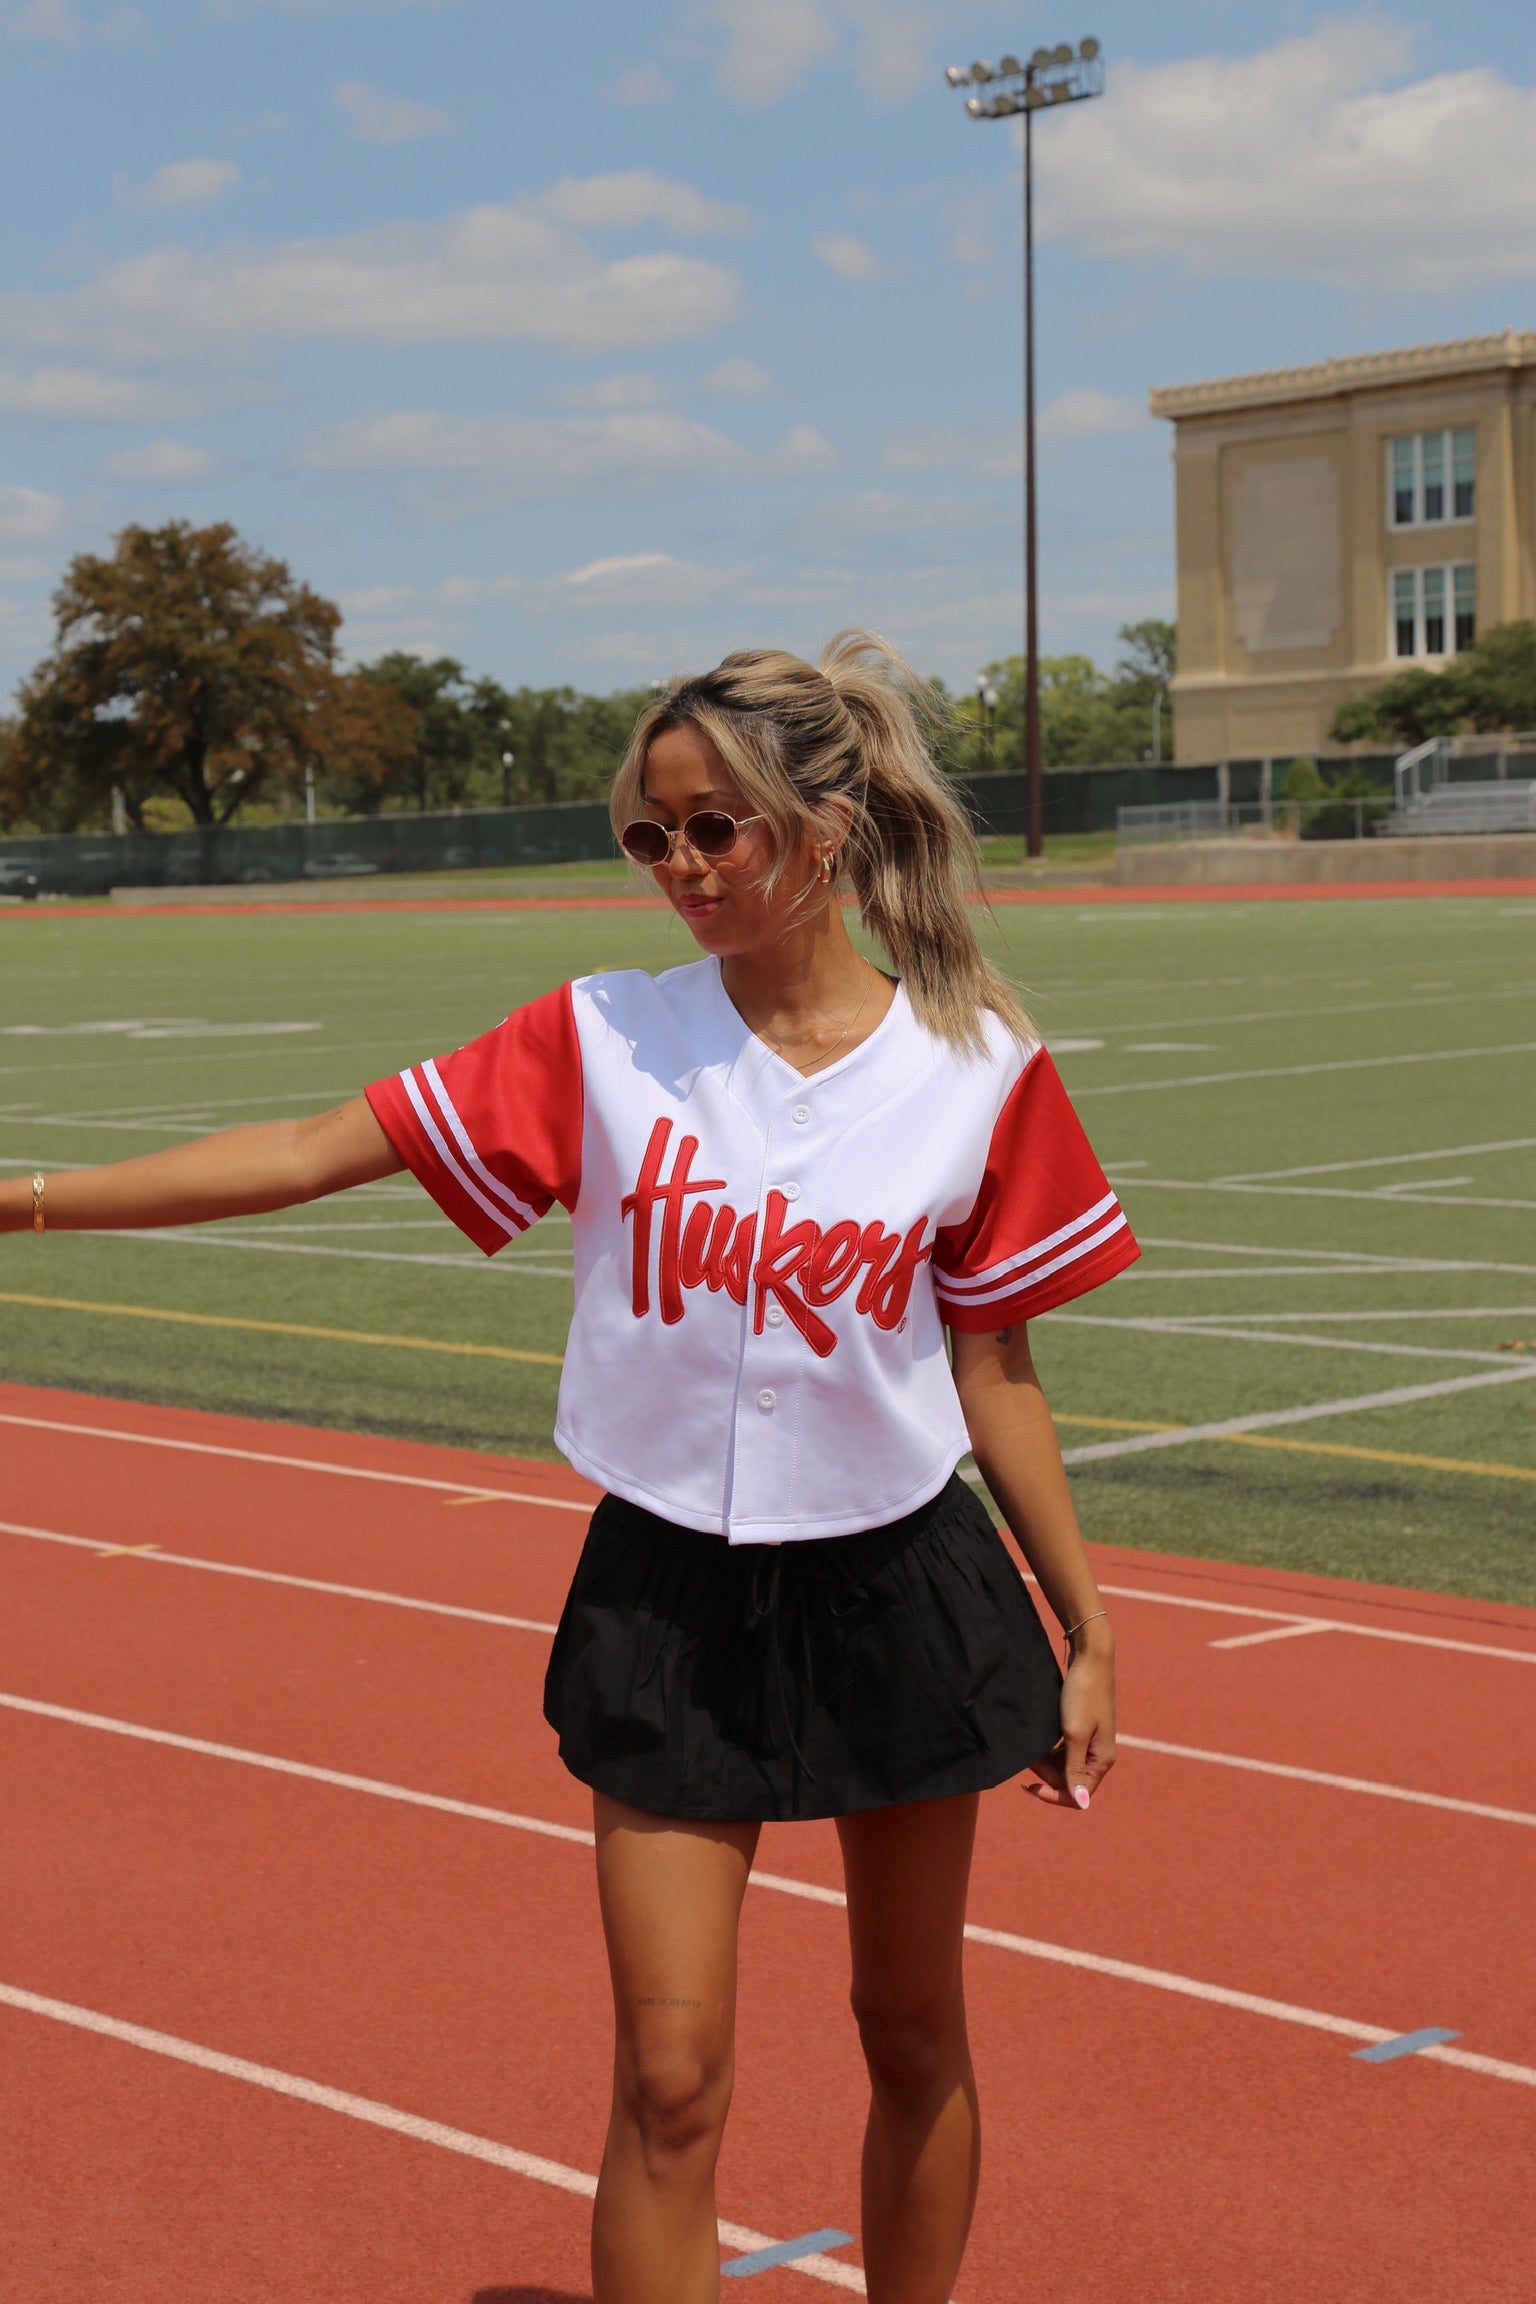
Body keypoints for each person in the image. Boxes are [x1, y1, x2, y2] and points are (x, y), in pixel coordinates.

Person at [2, 631, 1136, 2304]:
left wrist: (1086, 1625)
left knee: (912, 2030)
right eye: (648, 836)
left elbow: (997, 1368)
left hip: (901, 1574)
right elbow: (319, 1150)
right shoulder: (604, 1037)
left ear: (821, 828)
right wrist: (25, 1201)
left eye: (714, 830)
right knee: (670, 2077)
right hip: (670, 1587)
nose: (678, 867)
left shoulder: (975, 1067)